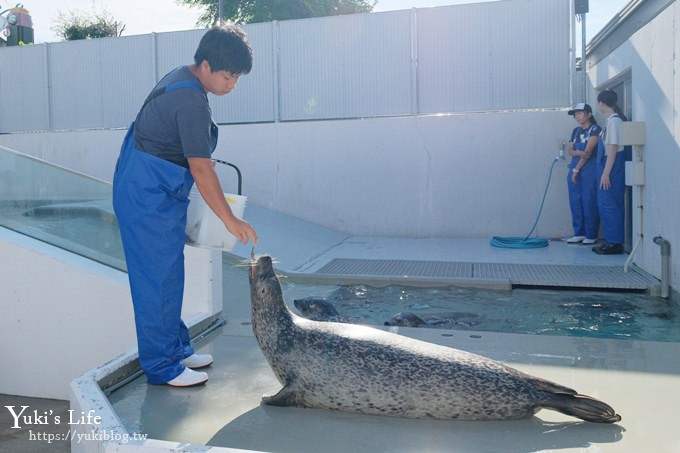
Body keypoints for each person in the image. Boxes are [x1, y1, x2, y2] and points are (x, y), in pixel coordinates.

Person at [113, 26, 258, 387]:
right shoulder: (190, 101)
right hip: (147, 195)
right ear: (206, 66)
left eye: (237, 78)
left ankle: (176, 349)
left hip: (152, 188)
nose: (232, 85)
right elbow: (201, 167)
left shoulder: (186, 78)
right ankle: (162, 366)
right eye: (228, 76)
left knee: (167, 274)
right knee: (156, 280)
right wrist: (230, 221)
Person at [592, 90, 626, 255]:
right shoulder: (611, 121)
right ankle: (610, 240)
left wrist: (606, 173)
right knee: (606, 205)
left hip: (611, 166)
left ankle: (615, 242)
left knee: (610, 205)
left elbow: (613, 148)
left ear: (601, 104)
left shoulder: (614, 122)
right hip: (607, 165)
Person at [565, 103, 601, 245]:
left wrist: (576, 170)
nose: (577, 117)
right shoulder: (575, 131)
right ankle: (578, 233)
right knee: (575, 202)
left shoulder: (595, 130)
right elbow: (570, 150)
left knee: (589, 201)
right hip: (575, 168)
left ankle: (591, 234)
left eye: (579, 113)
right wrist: (577, 153)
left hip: (588, 171)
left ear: (589, 114)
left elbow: (587, 153)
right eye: (575, 114)